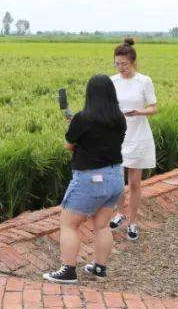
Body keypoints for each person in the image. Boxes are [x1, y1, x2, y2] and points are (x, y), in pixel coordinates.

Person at [43, 74, 126, 284]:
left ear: (90, 94)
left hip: (90, 179)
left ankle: (68, 271)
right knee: (102, 225)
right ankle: (99, 268)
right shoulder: (119, 118)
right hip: (115, 177)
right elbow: (102, 139)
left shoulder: (82, 118)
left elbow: (69, 145)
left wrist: (75, 125)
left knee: (68, 224)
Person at [109, 38, 157, 241]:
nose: (121, 68)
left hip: (138, 135)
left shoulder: (144, 81)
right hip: (117, 135)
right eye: (117, 64)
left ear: (133, 62)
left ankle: (133, 222)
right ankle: (119, 212)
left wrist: (138, 112)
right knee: (117, 180)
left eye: (124, 64)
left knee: (135, 183)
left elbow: (154, 107)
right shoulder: (112, 81)